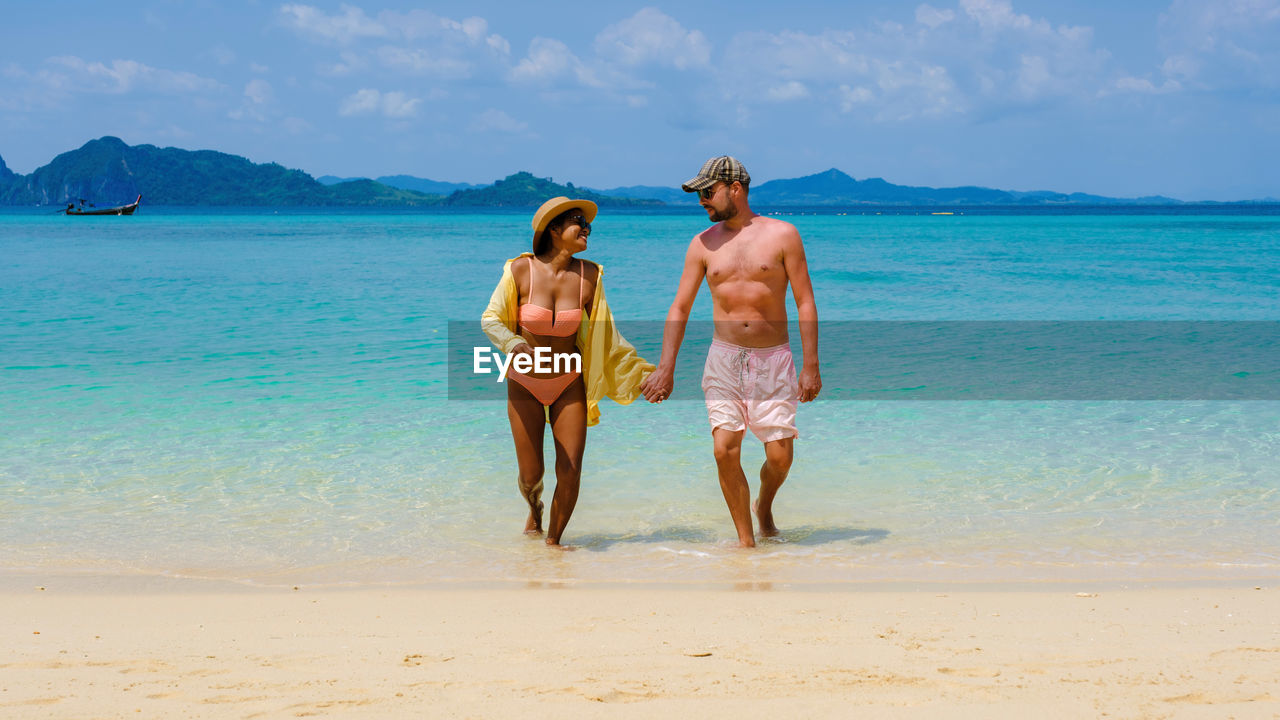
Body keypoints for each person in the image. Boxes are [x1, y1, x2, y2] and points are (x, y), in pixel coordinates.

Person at [640, 156, 821, 547]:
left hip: (773, 360)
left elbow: (805, 301)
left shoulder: (784, 235)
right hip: (724, 360)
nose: (702, 200)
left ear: (734, 188)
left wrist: (811, 366)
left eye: (708, 192)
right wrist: (665, 368)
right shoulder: (702, 244)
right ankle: (746, 543)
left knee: (779, 458)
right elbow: (680, 308)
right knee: (725, 450)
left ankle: (764, 506)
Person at [481, 196, 654, 546]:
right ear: (555, 229)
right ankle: (535, 507)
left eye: (588, 223)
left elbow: (608, 337)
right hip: (525, 381)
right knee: (531, 476)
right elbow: (491, 319)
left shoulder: (590, 275)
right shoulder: (519, 270)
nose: (587, 228)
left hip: (569, 380)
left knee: (571, 468)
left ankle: (554, 544)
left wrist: (643, 375)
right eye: (579, 222)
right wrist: (513, 344)